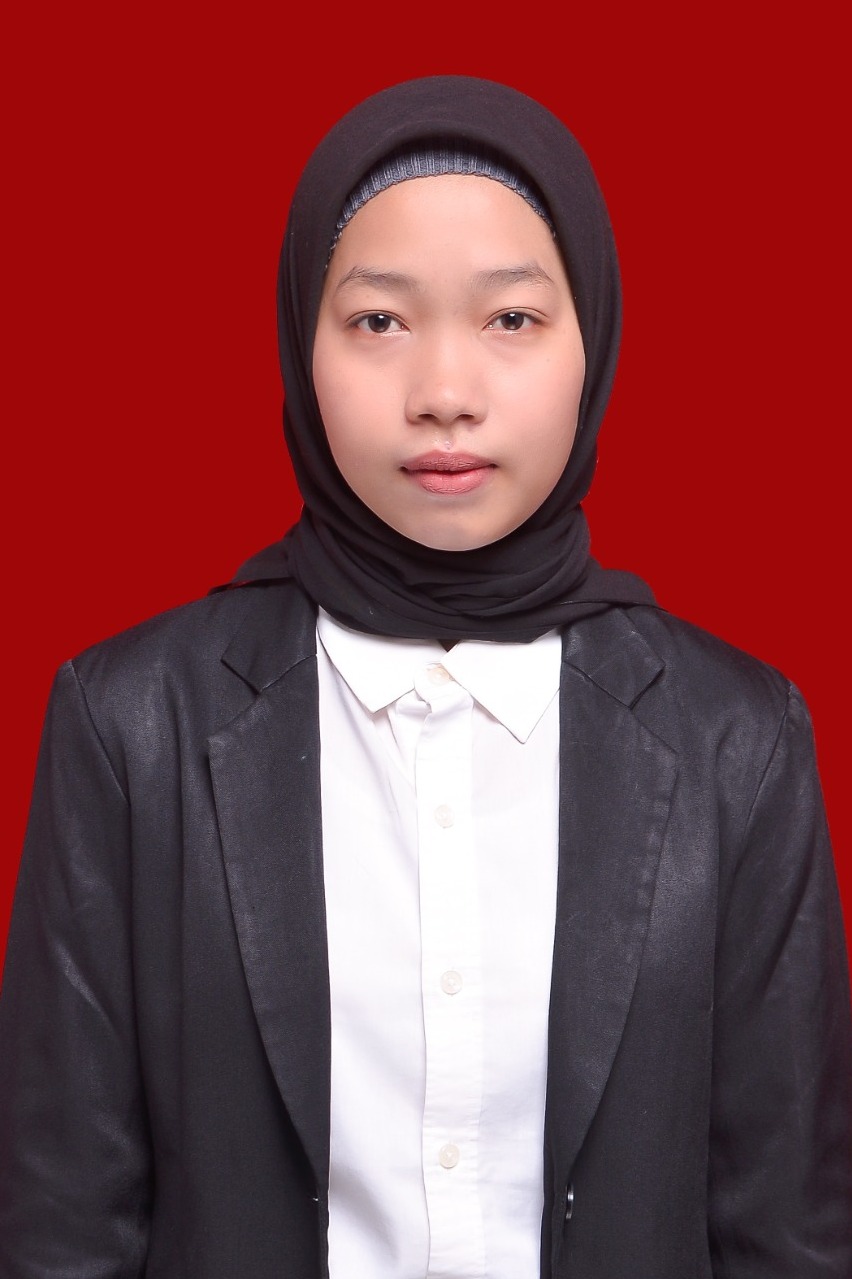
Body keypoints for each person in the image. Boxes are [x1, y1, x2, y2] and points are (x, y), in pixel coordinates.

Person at [0, 73, 849, 1279]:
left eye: (512, 318)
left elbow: (789, 1232)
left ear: (593, 340)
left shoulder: (740, 741)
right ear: (301, 343)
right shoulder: (128, 723)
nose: (445, 394)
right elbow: (61, 1225)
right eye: (379, 321)